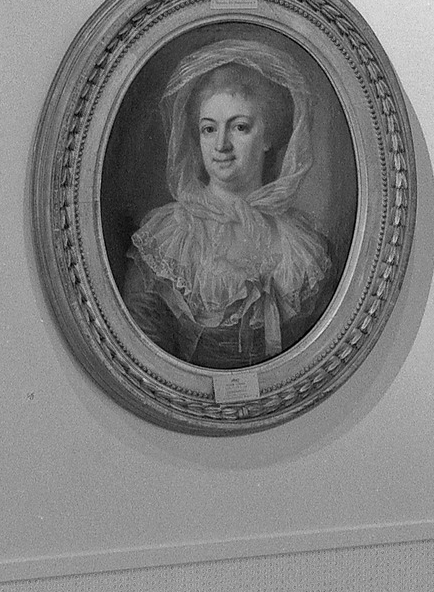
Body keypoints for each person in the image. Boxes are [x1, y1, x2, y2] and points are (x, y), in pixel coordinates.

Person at [120, 39, 334, 368]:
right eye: (208, 129)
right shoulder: (166, 241)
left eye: (239, 127)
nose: (221, 145)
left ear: (269, 136)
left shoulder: (303, 247)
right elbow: (143, 354)